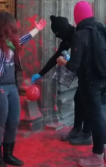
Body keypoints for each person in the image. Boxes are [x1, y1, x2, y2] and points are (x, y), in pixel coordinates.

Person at [0, 12, 46, 167]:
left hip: (11, 85)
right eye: (12, 25)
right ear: (5, 26)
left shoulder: (11, 41)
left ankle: (8, 154)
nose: (15, 27)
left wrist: (37, 29)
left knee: (13, 122)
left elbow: (23, 40)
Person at [57, 1, 106, 167]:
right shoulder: (99, 28)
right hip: (105, 77)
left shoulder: (80, 34)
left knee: (94, 117)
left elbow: (74, 65)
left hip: (90, 81)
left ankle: (97, 157)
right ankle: (104, 149)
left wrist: (62, 61)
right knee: (98, 115)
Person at [31, 16, 91, 145]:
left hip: (91, 75)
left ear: (62, 30)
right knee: (79, 99)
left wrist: (66, 62)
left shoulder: (78, 36)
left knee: (86, 103)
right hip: (84, 75)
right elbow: (55, 57)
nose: (58, 37)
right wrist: (40, 73)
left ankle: (86, 134)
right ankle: (77, 130)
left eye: (58, 34)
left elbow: (75, 64)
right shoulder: (67, 39)